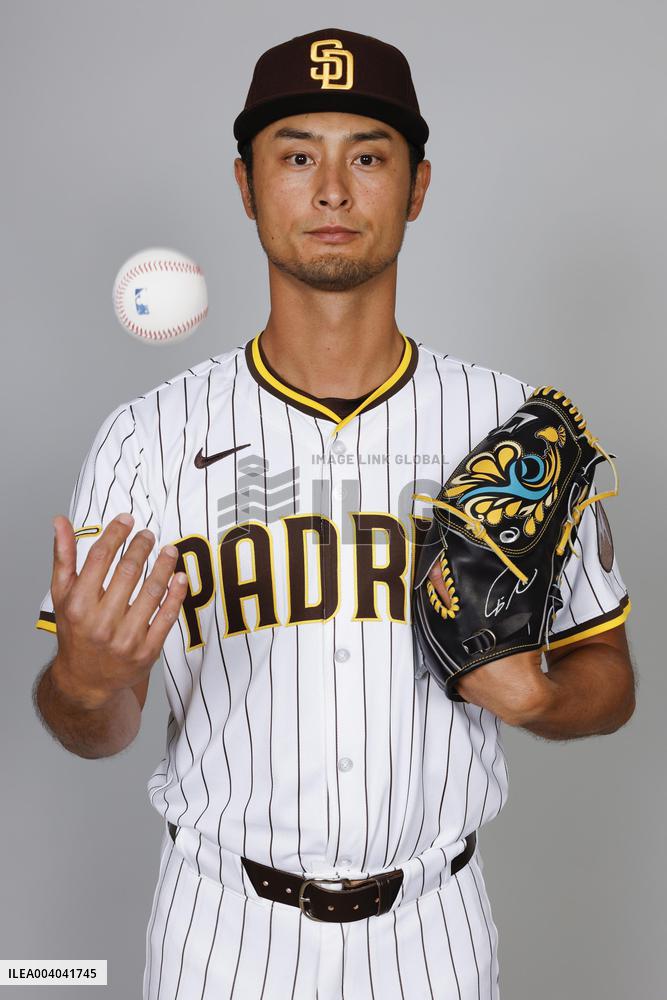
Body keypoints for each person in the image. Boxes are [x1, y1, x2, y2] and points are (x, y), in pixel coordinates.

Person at [33, 27, 635, 1000]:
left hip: (435, 933)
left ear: (417, 186)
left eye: (367, 157)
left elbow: (608, 675)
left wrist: (541, 699)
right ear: (245, 185)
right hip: (219, 934)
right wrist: (84, 682)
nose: (330, 191)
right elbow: (93, 724)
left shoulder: (511, 427)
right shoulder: (146, 438)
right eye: (296, 156)